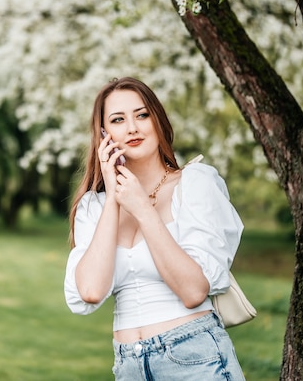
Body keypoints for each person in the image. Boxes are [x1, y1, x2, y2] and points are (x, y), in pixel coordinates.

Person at [64, 77, 246, 380]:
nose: (132, 128)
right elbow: (91, 290)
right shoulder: (93, 207)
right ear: (104, 135)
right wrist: (113, 198)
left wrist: (142, 209)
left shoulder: (194, 185)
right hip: (129, 366)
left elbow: (193, 291)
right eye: (118, 120)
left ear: (158, 120)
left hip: (195, 358)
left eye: (142, 114)